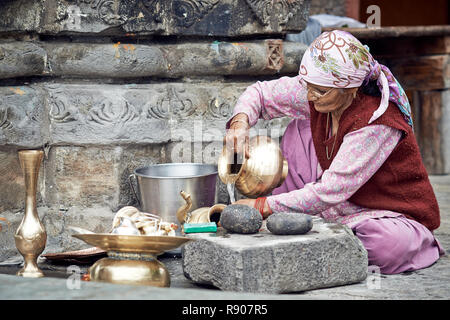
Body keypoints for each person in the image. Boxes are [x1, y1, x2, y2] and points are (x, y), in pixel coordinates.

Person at [224, 30, 445, 274]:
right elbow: (261, 94)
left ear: (350, 89)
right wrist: (240, 124)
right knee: (300, 127)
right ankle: (302, 223)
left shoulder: (376, 122)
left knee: (386, 246)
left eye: (319, 91)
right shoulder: (318, 89)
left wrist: (260, 206)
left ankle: (302, 224)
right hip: (333, 202)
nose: (309, 95)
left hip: (385, 214)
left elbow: (331, 191)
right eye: (308, 86)